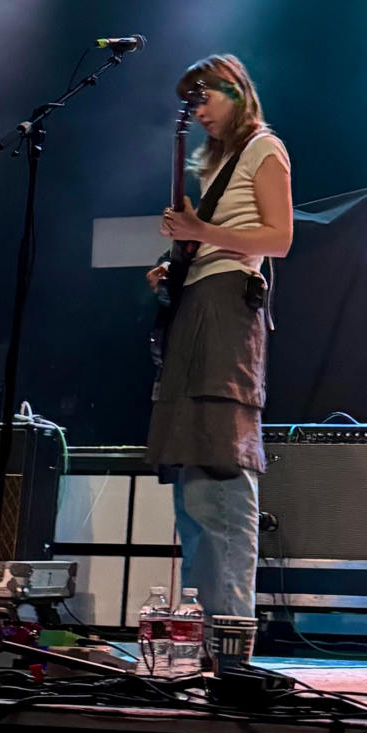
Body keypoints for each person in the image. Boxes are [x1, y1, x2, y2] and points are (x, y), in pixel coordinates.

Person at [143, 54, 293, 635]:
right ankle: (206, 630)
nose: (197, 110)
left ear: (236, 92)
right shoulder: (218, 162)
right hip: (199, 305)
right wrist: (174, 260)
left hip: (229, 308)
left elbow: (278, 238)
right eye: (190, 101)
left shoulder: (264, 149)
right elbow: (213, 238)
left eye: (204, 96)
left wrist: (200, 232)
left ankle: (230, 632)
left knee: (222, 470)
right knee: (195, 489)